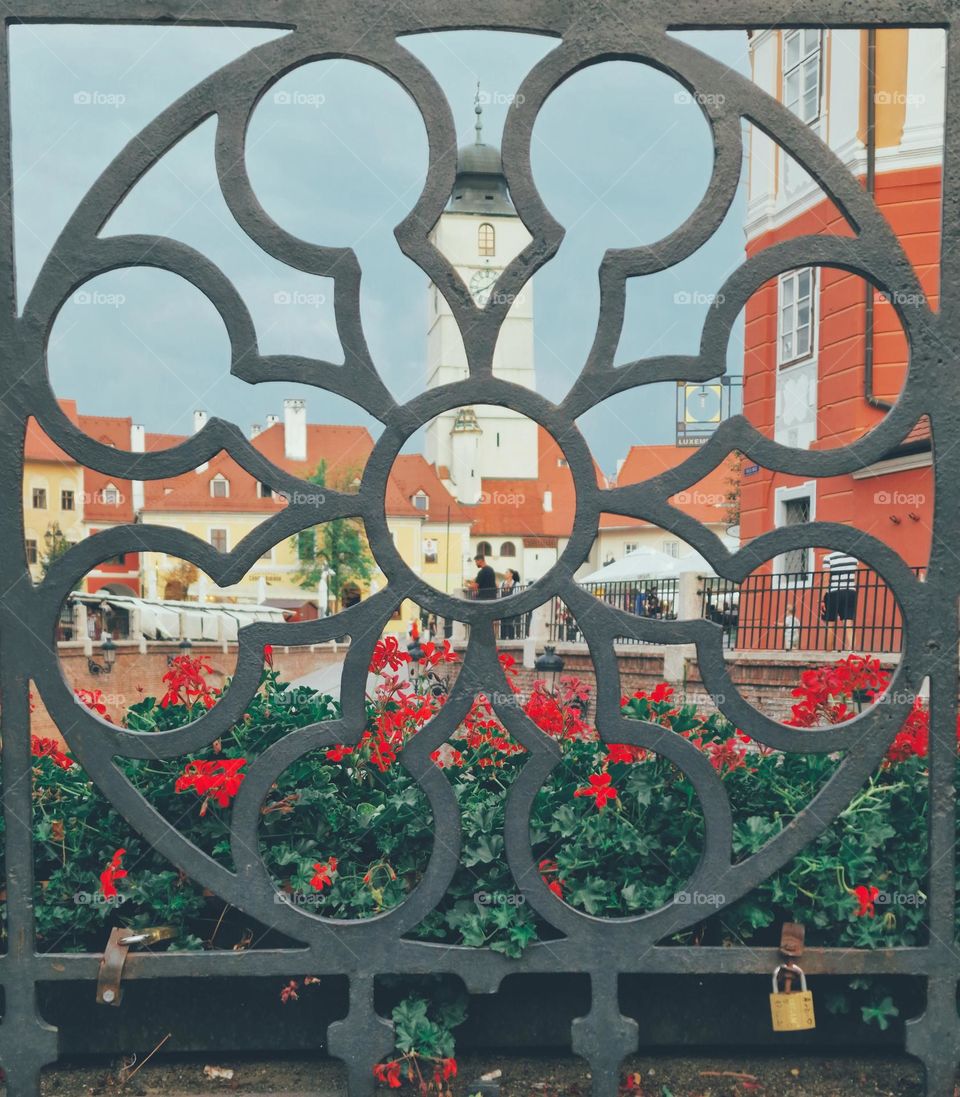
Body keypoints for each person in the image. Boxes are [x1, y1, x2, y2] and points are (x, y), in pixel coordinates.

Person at [820, 549, 859, 650]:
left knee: (830, 623)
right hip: (850, 591)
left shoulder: (828, 558)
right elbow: (854, 577)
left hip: (833, 592)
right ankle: (852, 651)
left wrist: (822, 599)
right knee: (848, 622)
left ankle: (828, 652)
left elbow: (826, 579)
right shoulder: (854, 557)